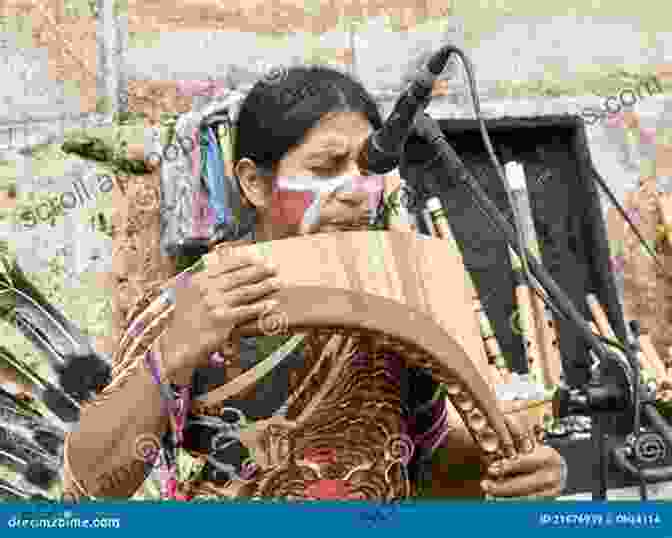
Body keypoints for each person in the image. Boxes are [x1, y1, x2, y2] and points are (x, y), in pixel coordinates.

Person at [63, 65, 566, 501]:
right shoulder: (190, 303)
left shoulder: (406, 290)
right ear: (255, 184)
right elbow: (87, 490)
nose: (357, 192)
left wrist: (508, 472)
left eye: (371, 168)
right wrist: (171, 353)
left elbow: (430, 473)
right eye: (327, 167)